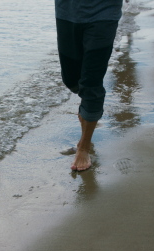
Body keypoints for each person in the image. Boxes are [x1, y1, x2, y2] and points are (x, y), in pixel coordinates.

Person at [55, 0, 126, 171]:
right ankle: (88, 111)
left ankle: (84, 146)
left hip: (104, 12)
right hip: (67, 11)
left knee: (91, 83)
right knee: (71, 80)